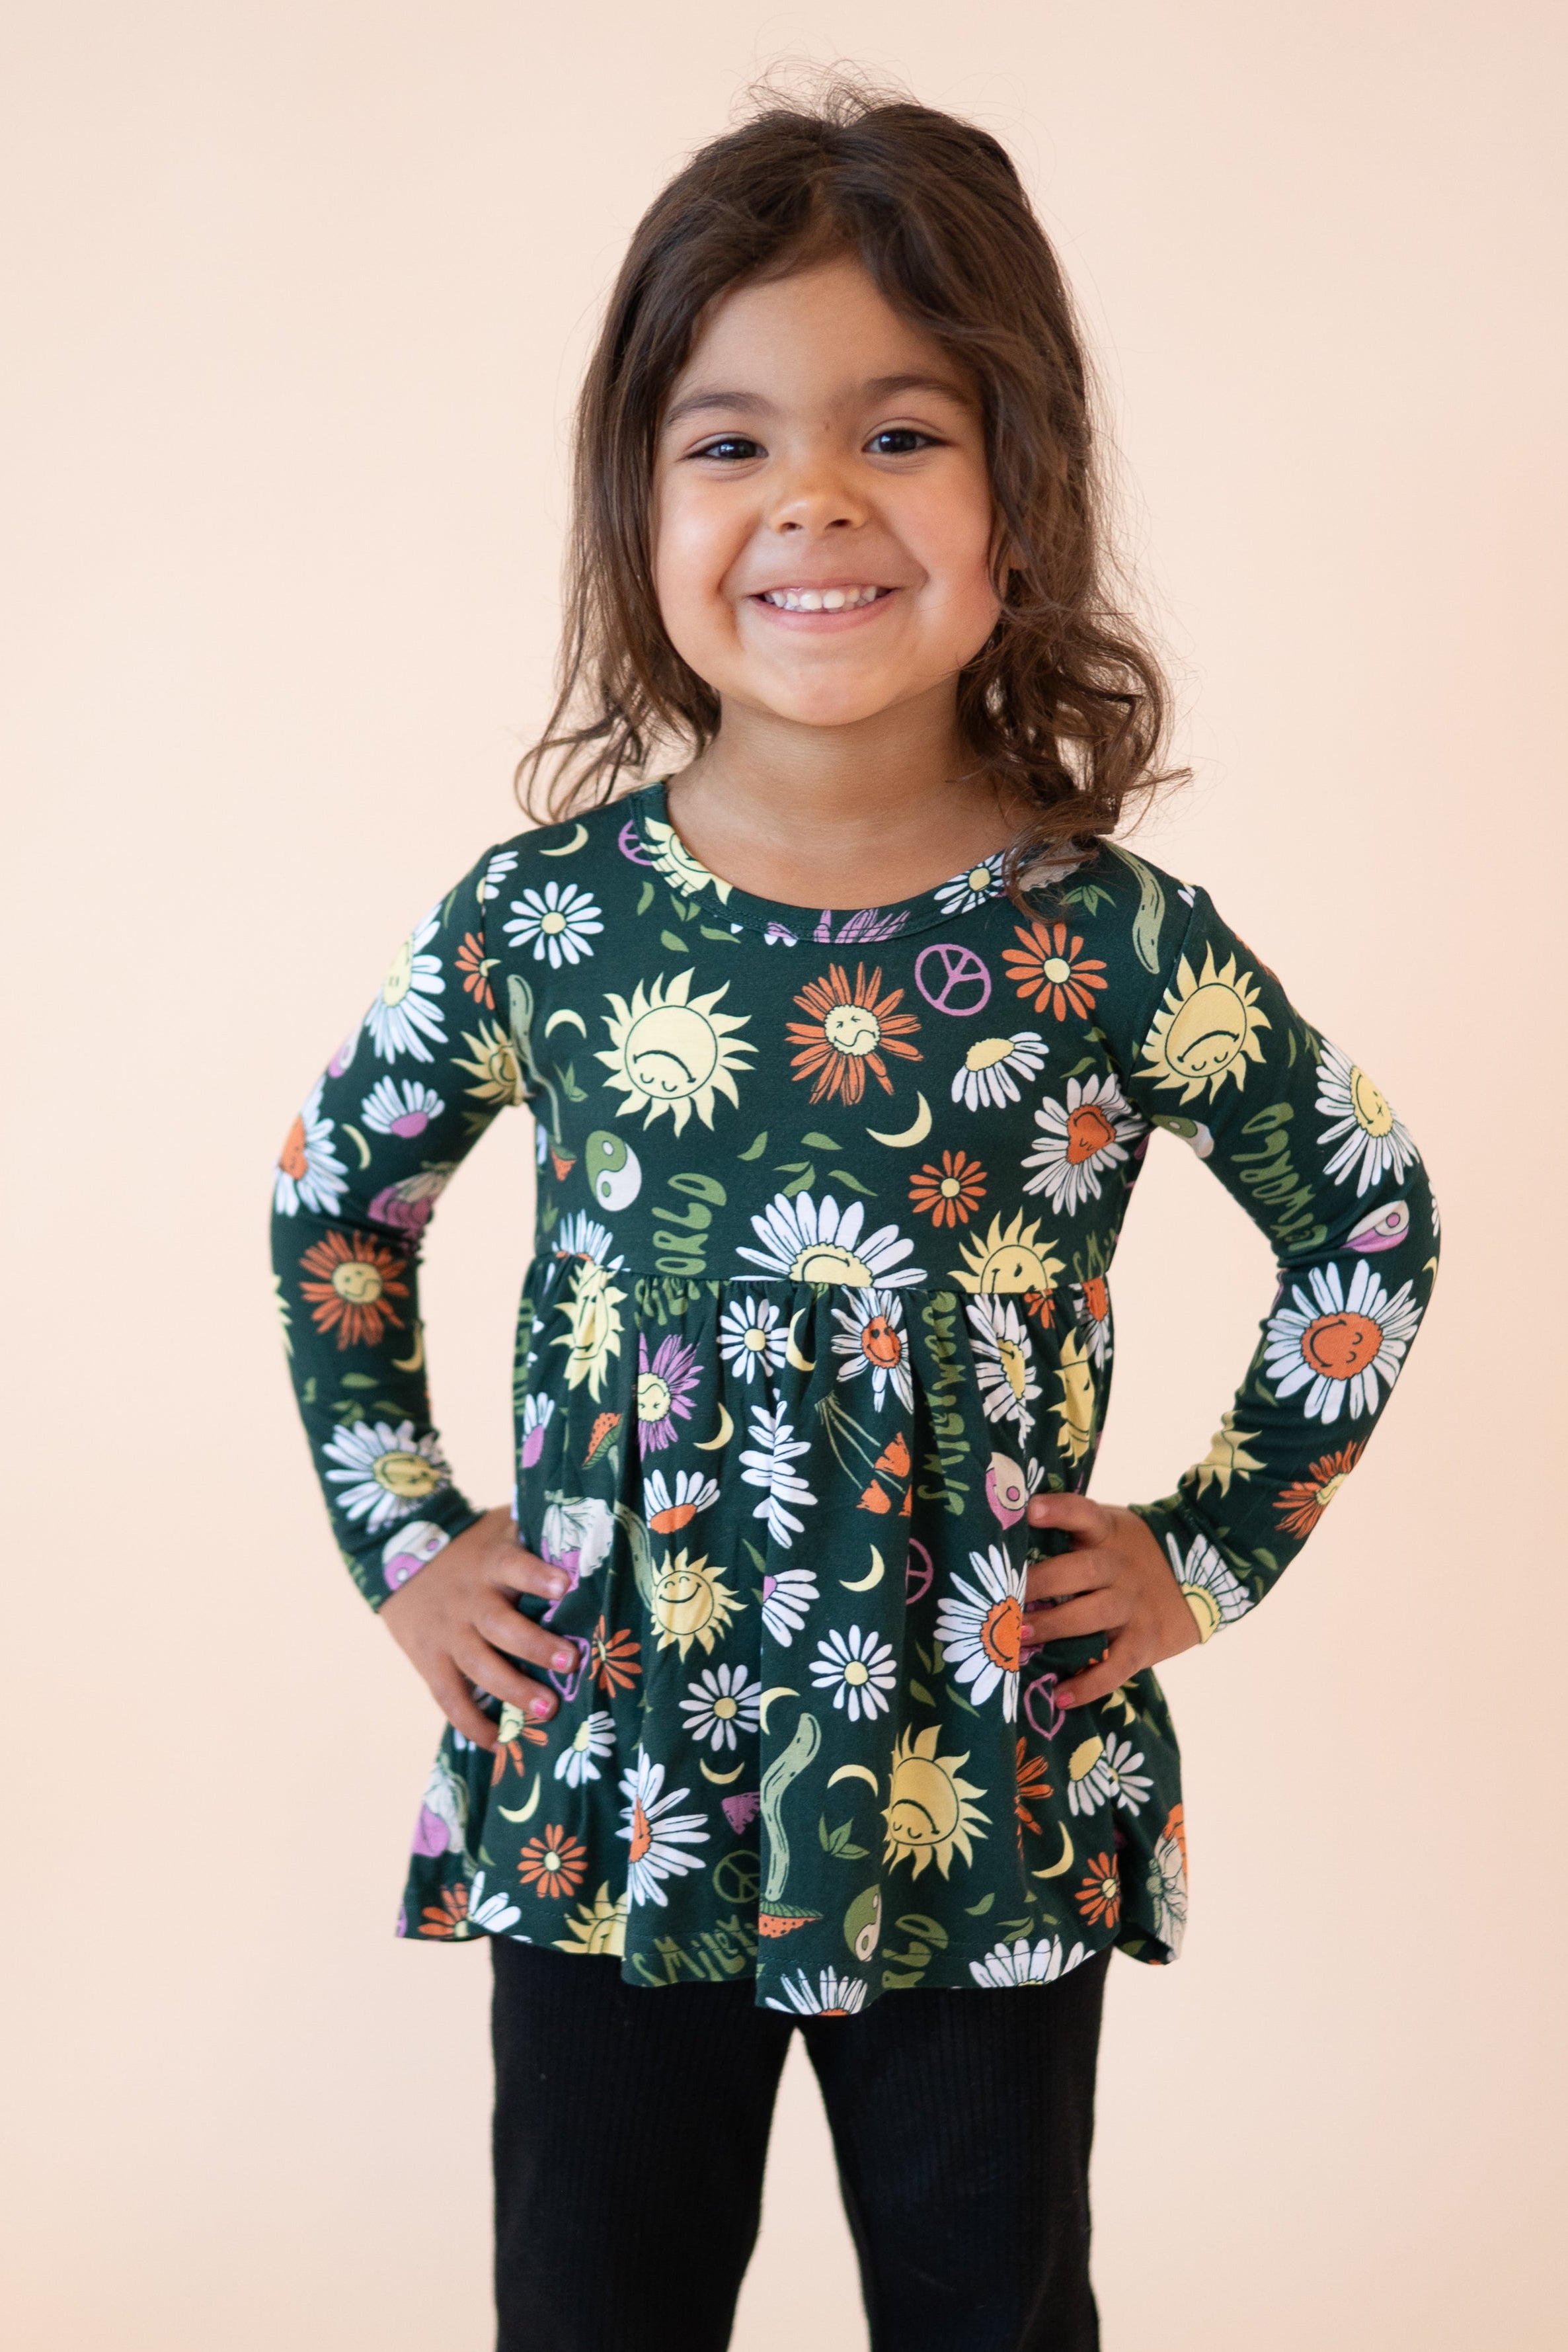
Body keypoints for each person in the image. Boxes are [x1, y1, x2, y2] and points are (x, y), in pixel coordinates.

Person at [270, 85, 1437, 2352]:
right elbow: (345, 1201)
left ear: (1024, 492)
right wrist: (405, 1536)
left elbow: (1365, 1221)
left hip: (979, 1790)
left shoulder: (1107, 946)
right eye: (728, 444)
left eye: (898, 433)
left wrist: (1206, 1548)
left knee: (991, 2316)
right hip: (616, 1786)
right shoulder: (552, 924)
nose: (811, 496)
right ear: (635, 502)